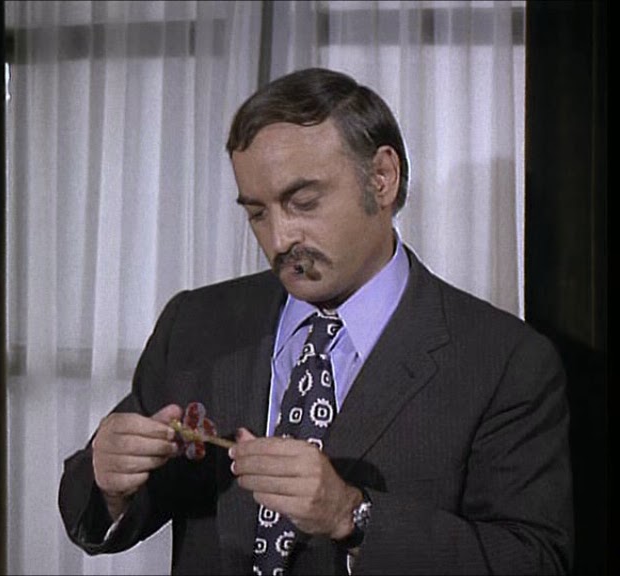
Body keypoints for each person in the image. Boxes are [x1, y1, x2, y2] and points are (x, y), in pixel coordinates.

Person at [58, 68, 573, 574]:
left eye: (303, 202)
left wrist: (353, 516)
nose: (280, 239)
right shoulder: (196, 324)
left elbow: (534, 560)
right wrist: (107, 482)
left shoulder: (505, 362)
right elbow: (95, 503)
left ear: (382, 178)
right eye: (257, 213)